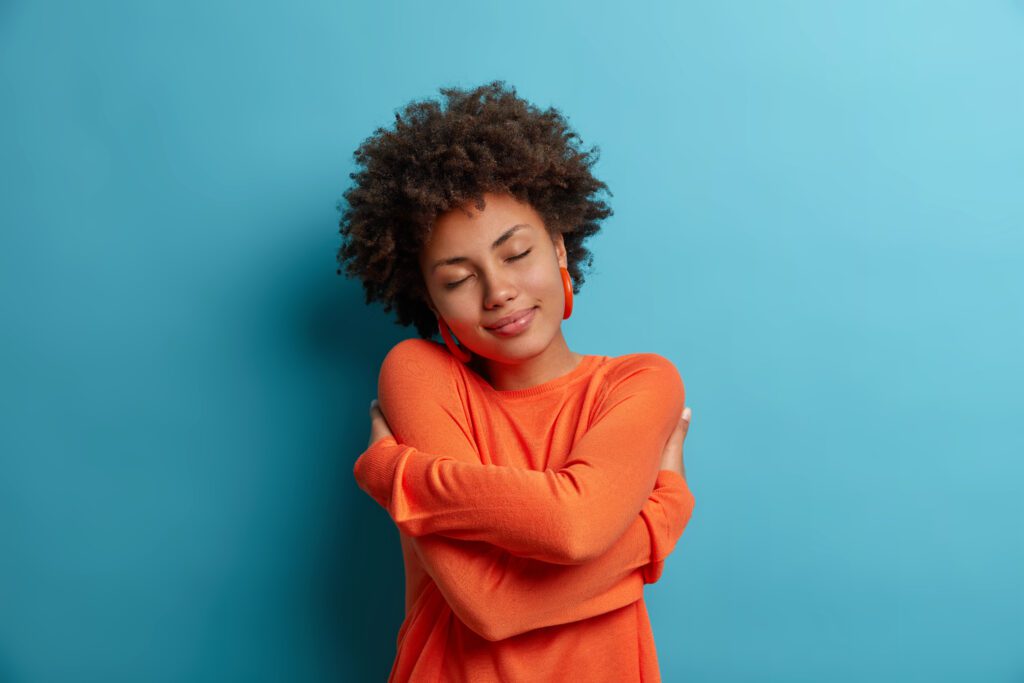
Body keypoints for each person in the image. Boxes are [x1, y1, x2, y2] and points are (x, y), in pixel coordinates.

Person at [337, 80, 695, 682]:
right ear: (430, 300)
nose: (498, 291)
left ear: (558, 245)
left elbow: (573, 527)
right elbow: (492, 607)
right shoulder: (419, 373)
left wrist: (393, 473)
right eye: (457, 279)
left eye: (516, 253)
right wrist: (662, 517)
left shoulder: (640, 382)